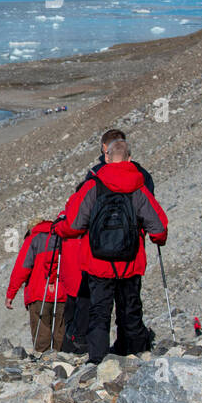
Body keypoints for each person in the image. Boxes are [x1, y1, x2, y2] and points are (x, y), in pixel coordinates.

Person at [54, 139, 167, 364]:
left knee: (99, 311)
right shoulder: (138, 186)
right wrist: (157, 239)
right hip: (130, 261)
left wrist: (59, 228)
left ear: (106, 157)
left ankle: (98, 360)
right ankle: (134, 354)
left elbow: (74, 223)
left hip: (98, 262)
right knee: (130, 309)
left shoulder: (94, 185)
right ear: (129, 158)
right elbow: (159, 227)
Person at [5, 217, 71, 352]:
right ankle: (62, 363)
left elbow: (21, 269)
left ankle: (43, 364)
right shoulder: (63, 237)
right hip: (63, 292)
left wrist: (11, 294)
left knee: (42, 332)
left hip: (39, 293)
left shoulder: (33, 239)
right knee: (60, 331)